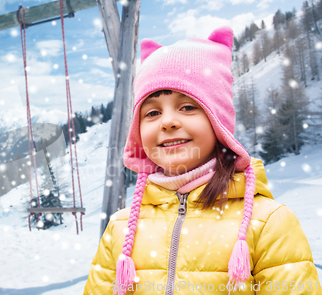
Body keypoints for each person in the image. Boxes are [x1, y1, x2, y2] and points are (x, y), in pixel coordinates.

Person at [83, 26, 321, 295]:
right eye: (151, 113)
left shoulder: (268, 223)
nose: (168, 121)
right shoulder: (121, 228)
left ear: (218, 121)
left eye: (187, 107)